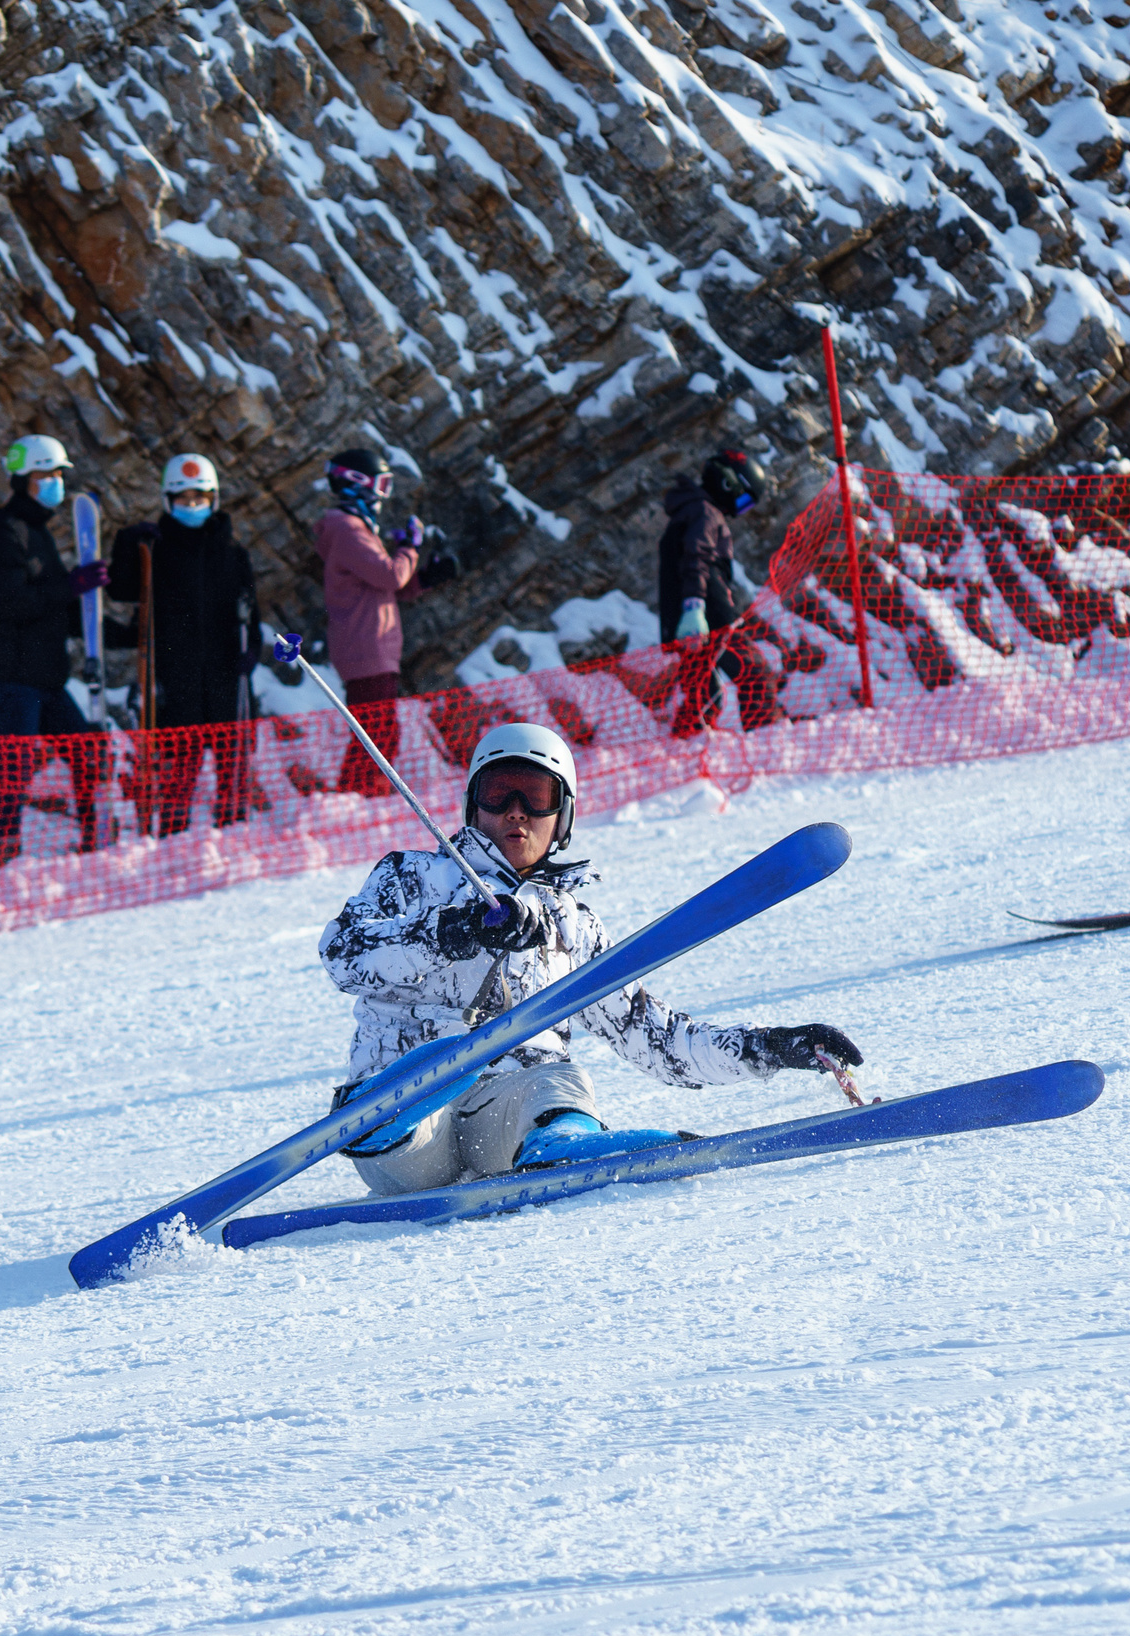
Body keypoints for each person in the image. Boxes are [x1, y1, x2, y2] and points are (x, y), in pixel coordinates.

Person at [318, 722, 863, 1194]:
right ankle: (381, 1113)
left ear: (564, 815)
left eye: (536, 796)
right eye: (498, 793)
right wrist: (450, 933)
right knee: (432, 1080)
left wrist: (765, 1047)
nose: (516, 813)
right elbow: (342, 952)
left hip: (502, 1121)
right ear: (472, 805)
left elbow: (653, 1038)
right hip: (414, 1130)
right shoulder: (412, 877)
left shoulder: (570, 926)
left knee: (555, 1079)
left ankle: (564, 1145)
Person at [105, 452, 261, 835]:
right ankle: (174, 832)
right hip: (179, 674)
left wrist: (251, 651)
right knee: (181, 759)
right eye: (184, 500)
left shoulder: (232, 553)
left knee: (231, 759)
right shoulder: (156, 550)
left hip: (226, 671)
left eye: (200, 499)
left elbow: (250, 611)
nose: (192, 507)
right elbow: (124, 590)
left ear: (213, 500)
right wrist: (126, 545)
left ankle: (233, 827)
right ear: (168, 502)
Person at [0, 433, 110, 868]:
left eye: (57, 475)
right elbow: (13, 603)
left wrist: (117, 627)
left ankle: (94, 834)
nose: (54, 483)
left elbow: (54, 607)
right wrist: (70, 585)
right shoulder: (4, 533)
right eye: (45, 475)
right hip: (14, 676)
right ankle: (4, 848)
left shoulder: (38, 533)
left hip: (45, 676)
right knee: (16, 762)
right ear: (22, 480)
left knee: (85, 751)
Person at [317, 448, 456, 795]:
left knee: (378, 730)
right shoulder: (347, 528)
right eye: (380, 484)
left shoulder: (355, 528)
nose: (382, 495)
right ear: (357, 483)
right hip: (364, 645)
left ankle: (360, 796)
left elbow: (387, 587)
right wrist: (409, 547)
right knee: (377, 732)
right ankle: (358, 797)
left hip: (371, 644)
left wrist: (428, 576)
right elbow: (390, 576)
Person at [656, 447, 782, 737]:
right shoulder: (705, 512)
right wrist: (695, 607)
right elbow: (696, 557)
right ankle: (768, 748)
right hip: (708, 616)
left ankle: (685, 757)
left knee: (702, 697)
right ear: (729, 484)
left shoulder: (687, 511)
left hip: (681, 622)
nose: (739, 509)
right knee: (755, 673)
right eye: (744, 499)